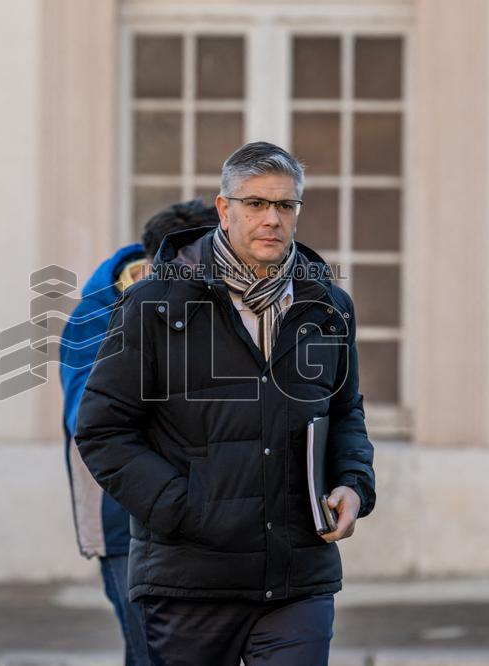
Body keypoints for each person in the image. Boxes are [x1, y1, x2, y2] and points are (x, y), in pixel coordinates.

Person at [74, 142, 376, 665]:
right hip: (189, 578)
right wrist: (181, 508)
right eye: (256, 203)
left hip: (297, 576)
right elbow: (102, 429)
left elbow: (345, 412)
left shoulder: (327, 306)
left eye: (285, 206)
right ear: (224, 209)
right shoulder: (154, 304)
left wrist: (353, 484)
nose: (272, 219)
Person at [59, 199, 219, 666]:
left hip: (191, 512)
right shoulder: (115, 302)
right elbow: (91, 424)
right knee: (154, 650)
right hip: (123, 510)